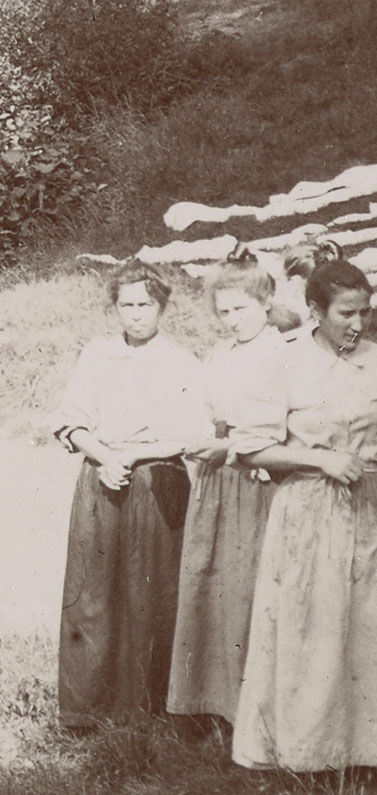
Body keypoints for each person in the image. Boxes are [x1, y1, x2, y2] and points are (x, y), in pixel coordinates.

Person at [231, 259, 377, 772]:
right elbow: (250, 448)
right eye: (347, 313)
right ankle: (307, 756)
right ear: (314, 312)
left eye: (365, 312)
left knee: (376, 631)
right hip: (308, 509)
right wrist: (319, 458)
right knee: (313, 632)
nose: (358, 324)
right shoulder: (283, 363)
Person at [50, 259, 205, 727]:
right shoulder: (98, 354)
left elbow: (191, 435)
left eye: (145, 304)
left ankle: (146, 709)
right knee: (92, 592)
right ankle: (86, 710)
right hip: (101, 476)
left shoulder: (181, 361)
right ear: (114, 307)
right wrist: (104, 455)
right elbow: (70, 419)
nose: (136, 314)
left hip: (157, 482)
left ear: (162, 306)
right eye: (126, 305)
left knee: (150, 595)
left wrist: (133, 457)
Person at [166, 258, 286, 726]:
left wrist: (227, 446)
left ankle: (251, 710)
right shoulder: (219, 354)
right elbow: (202, 406)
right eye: (224, 312)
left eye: (241, 309)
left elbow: (280, 427)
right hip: (216, 478)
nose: (232, 320)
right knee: (208, 581)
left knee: (246, 586)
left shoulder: (282, 353)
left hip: (257, 476)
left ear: (266, 304)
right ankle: (208, 703)